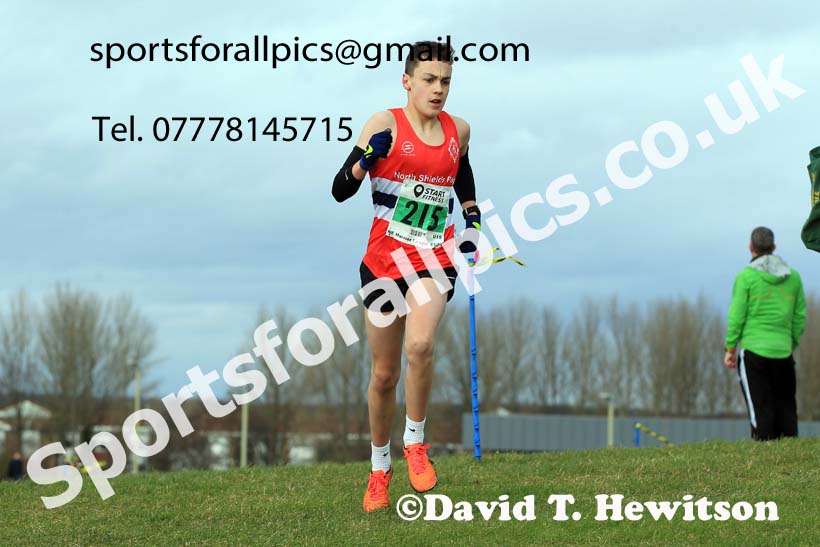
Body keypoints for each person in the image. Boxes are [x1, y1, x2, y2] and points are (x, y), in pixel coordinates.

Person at [332, 40, 479, 512]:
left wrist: (472, 222)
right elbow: (339, 190)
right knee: (383, 375)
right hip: (382, 263)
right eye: (430, 81)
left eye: (446, 82)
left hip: (434, 257)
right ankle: (380, 467)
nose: (439, 91)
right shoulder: (383, 124)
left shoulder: (460, 129)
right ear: (407, 81)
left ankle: (415, 442)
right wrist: (365, 161)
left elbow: (463, 178)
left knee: (421, 345)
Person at [724, 227, 807, 440]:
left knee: (760, 409)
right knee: (786, 409)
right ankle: (790, 457)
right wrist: (791, 345)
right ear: (774, 247)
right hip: (783, 351)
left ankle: (763, 456)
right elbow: (799, 317)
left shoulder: (746, 277)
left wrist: (731, 348)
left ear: (751, 248)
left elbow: (737, 316)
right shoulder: (794, 277)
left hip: (754, 352)